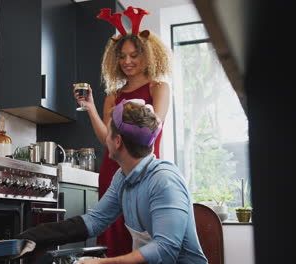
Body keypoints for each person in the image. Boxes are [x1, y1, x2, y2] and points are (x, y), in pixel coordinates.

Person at [15, 99, 208, 264]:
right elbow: (94, 221)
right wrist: (33, 236)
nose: (105, 138)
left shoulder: (164, 181)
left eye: (109, 132)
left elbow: (165, 249)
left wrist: (104, 263)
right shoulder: (123, 177)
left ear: (117, 141)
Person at [72, 6, 171, 257]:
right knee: (113, 240)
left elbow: (153, 129)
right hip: (112, 172)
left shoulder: (159, 87)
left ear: (147, 56)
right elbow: (107, 140)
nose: (127, 61)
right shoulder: (112, 96)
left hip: (144, 173)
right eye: (122, 56)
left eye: (134, 55)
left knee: (145, 235)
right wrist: (91, 107)